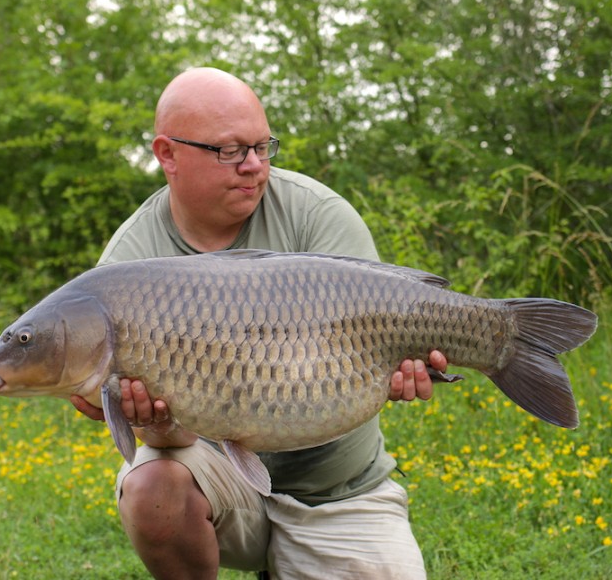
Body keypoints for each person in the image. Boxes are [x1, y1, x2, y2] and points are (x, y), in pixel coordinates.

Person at [71, 67, 448, 579]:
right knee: (151, 487)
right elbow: (168, 442)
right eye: (230, 151)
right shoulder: (127, 267)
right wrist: (153, 425)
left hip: (336, 489)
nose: (253, 166)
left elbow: (386, 317)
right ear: (167, 155)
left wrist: (403, 366)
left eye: (262, 147)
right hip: (220, 480)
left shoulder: (317, 215)